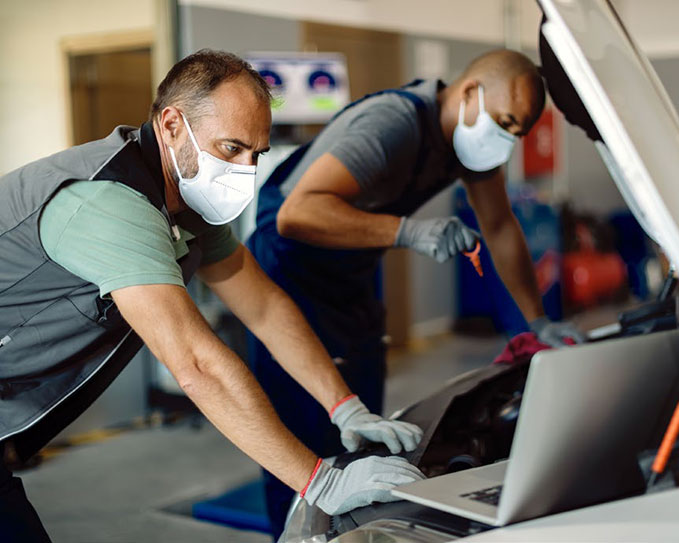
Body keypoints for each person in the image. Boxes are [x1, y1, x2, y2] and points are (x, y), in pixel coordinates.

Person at [0, 49, 424, 542]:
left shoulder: (186, 203)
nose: (245, 170)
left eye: (256, 154)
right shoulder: (106, 203)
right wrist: (320, 481)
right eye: (231, 148)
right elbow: (197, 364)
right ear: (173, 125)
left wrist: (344, 406)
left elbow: (264, 306)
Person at [247, 48, 585, 530]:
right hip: (290, 272)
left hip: (352, 276)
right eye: (505, 122)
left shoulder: (470, 144)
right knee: (303, 441)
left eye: (518, 132)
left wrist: (538, 322)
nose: (507, 140)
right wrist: (409, 232)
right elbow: (296, 215)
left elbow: (500, 226)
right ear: (470, 92)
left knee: (365, 432)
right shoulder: (392, 124)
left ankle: (354, 535)